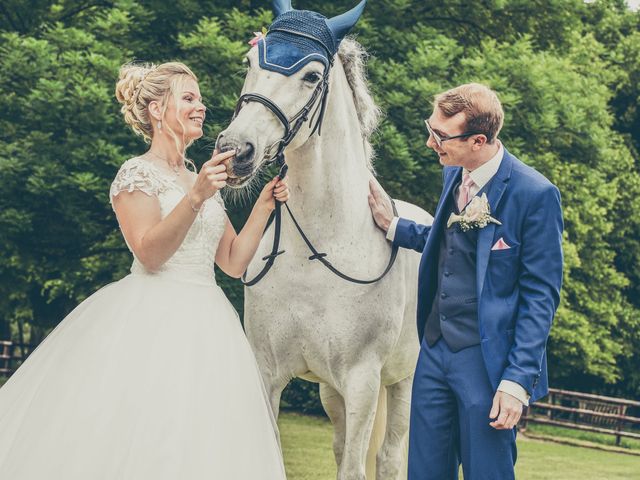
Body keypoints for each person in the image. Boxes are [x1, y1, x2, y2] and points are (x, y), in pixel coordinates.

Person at [0, 61, 288, 479]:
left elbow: (232, 262)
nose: (201, 106)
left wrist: (263, 206)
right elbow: (150, 253)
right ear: (156, 109)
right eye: (189, 98)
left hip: (209, 325)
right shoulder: (137, 174)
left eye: (201, 99)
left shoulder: (197, 176)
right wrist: (197, 195)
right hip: (150, 320)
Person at [368, 83, 563, 479]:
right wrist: (394, 226)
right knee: (423, 471)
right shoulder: (453, 176)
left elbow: (540, 296)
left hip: (489, 364)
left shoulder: (535, 194)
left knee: (486, 472)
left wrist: (517, 382)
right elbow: (447, 242)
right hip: (436, 350)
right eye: (431, 128)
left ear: (478, 140)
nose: (430, 142)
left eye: (440, 136)